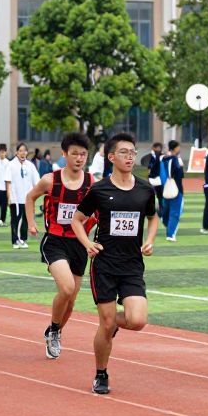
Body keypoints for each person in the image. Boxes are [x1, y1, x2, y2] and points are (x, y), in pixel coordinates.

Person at [71, 132, 158, 395]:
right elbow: (77, 220)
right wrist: (87, 243)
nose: (130, 156)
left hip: (132, 265)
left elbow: (153, 217)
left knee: (137, 319)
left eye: (132, 152)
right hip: (104, 264)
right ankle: (101, 373)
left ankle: (110, 326)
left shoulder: (145, 190)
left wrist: (150, 241)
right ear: (111, 157)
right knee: (106, 324)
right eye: (123, 152)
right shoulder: (99, 190)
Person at [26, 132, 94, 360]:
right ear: (64, 154)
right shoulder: (50, 180)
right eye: (74, 154)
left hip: (79, 243)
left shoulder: (91, 182)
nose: (79, 158)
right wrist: (31, 223)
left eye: (83, 154)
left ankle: (54, 330)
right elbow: (30, 197)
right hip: (54, 240)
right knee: (66, 288)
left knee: (72, 300)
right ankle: (54, 331)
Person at [6, 142, 40, 249]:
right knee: (15, 220)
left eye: (24, 151)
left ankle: (23, 239)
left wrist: (35, 197)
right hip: (15, 198)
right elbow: (8, 182)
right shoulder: (11, 165)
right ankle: (15, 240)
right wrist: (9, 197)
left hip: (27, 199)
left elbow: (37, 182)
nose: (22, 153)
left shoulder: (30, 165)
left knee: (26, 219)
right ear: (16, 152)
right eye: (20, 151)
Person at [161, 140, 184, 241]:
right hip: (175, 187)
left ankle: (166, 223)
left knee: (167, 209)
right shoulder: (174, 159)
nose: (179, 149)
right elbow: (178, 175)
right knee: (175, 212)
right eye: (178, 147)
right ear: (175, 148)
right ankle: (171, 234)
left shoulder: (163, 158)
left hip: (165, 187)